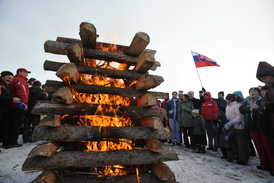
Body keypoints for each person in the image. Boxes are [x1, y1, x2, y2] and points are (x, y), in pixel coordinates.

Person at [2, 68, 30, 148]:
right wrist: (24, 104)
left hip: (9, 105)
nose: (27, 74)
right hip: (18, 105)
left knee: (8, 124)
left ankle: (5, 142)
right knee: (16, 125)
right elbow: (22, 92)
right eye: (25, 72)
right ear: (20, 72)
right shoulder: (20, 80)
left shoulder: (12, 80)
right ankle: (12, 142)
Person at [256, 61, 274, 176]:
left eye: (265, 78)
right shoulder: (269, 90)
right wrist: (266, 106)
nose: (264, 81)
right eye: (262, 80)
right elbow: (264, 102)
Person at [224, 94, 248, 165]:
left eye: (227, 99)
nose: (226, 100)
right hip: (231, 127)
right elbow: (227, 116)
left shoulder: (237, 106)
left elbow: (239, 117)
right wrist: (227, 123)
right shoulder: (227, 107)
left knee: (240, 143)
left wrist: (231, 122)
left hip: (238, 127)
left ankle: (243, 159)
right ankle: (237, 156)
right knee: (234, 143)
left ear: (230, 99)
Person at [239, 87, 262, 157]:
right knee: (258, 145)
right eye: (251, 91)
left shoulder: (262, 100)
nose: (252, 93)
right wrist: (250, 109)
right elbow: (242, 109)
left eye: (255, 91)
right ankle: (264, 164)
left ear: (259, 93)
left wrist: (259, 108)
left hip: (262, 126)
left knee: (266, 146)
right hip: (252, 125)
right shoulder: (247, 100)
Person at [0, 71, 20, 143]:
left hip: (3, 110)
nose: (10, 80)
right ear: (2, 76)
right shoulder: (1, 85)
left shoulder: (5, 85)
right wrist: (11, 100)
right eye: (8, 78)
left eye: (11, 79)